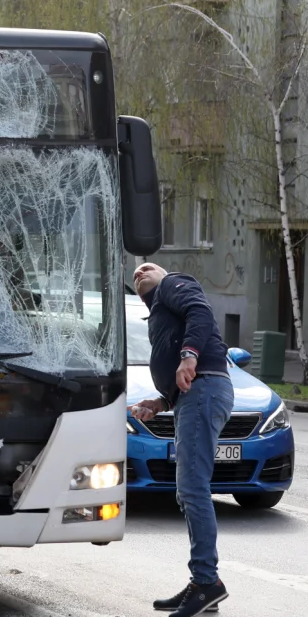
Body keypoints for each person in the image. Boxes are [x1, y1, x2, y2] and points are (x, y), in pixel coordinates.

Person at [131, 262, 233, 617]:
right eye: (135, 276)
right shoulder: (160, 311)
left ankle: (207, 584)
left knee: (193, 489)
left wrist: (188, 357)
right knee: (187, 490)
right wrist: (160, 402)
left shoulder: (175, 284)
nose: (139, 273)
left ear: (165, 273)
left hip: (204, 389)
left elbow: (200, 312)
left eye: (147, 268)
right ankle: (203, 584)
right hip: (194, 395)